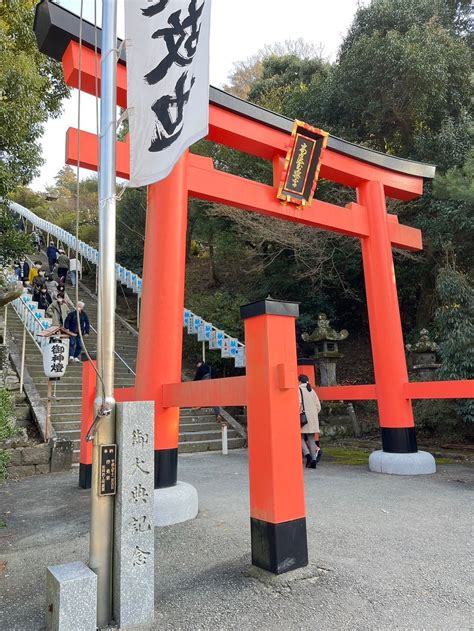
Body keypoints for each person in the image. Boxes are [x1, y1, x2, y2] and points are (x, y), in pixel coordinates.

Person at [298, 374, 322, 469]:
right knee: (311, 439)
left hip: (303, 418)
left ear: (299, 381)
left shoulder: (298, 390)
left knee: (299, 437)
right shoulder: (312, 390)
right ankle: (314, 460)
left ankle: (307, 455)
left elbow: (298, 403)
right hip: (313, 418)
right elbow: (318, 406)